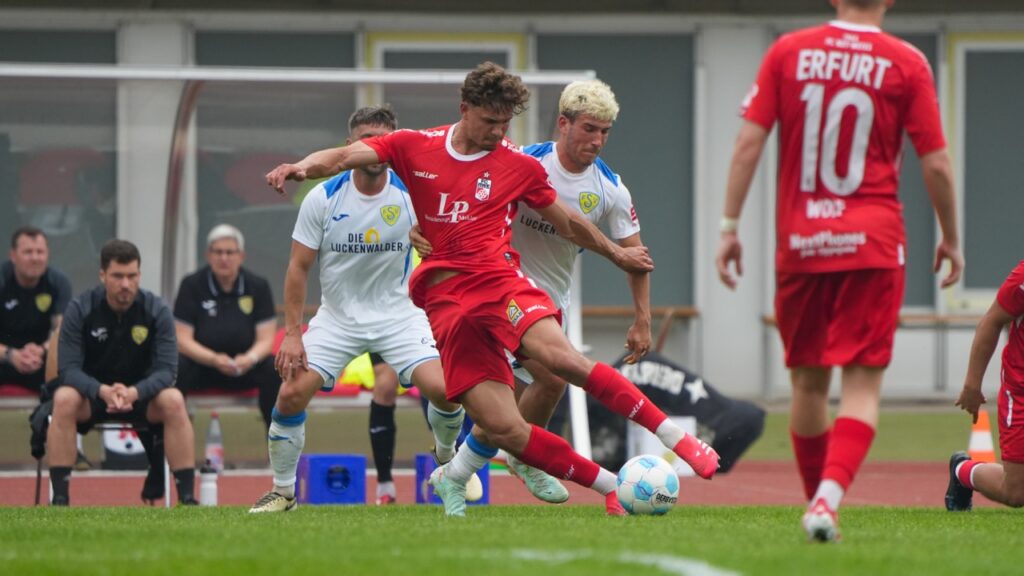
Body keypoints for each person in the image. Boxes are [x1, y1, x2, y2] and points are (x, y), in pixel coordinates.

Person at [266, 62, 719, 518]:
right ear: (465, 109)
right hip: (445, 304)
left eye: (506, 124)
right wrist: (301, 166)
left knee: (562, 364)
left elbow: (570, 223)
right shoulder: (414, 147)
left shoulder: (517, 164)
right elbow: (343, 158)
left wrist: (617, 255)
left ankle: (675, 438)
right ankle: (603, 485)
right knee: (503, 427)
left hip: (499, 285)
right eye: (490, 122)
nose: (498, 133)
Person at [714, 0, 963, 541]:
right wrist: (951, 236)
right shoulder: (907, 62)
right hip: (872, 242)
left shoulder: (788, 51)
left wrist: (729, 226)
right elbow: (936, 162)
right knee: (862, 385)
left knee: (806, 381)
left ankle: (818, 505)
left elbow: (748, 143)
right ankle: (826, 505)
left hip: (802, 242)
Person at [410, 79, 651, 504]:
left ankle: (500, 458)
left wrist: (642, 318)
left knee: (522, 404)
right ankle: (497, 453)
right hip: (494, 292)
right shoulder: (522, 162)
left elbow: (636, 256)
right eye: (589, 129)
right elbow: (458, 191)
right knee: (536, 384)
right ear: (563, 123)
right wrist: (423, 227)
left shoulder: (611, 189)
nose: (597, 141)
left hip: (549, 301)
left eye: (605, 132)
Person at [249, 105, 472, 513]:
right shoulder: (322, 198)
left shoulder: (414, 192)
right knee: (291, 394)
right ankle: (283, 492)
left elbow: (449, 246)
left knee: (447, 390)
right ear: (350, 147)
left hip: (400, 314)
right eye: (367, 140)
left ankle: (445, 459)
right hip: (338, 318)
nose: (375, 148)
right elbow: (298, 268)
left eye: (383, 140)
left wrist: (434, 246)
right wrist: (293, 334)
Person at [46, 239, 197, 506]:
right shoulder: (80, 309)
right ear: (102, 275)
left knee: (174, 400)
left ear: (139, 274)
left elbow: (167, 371)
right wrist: (101, 391)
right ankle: (59, 499)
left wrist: (135, 392)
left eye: (131, 276)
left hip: (141, 396)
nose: (125, 284)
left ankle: (187, 498)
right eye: (117, 276)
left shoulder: (157, 310)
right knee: (63, 398)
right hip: (92, 397)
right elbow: (67, 370)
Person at [174, 224, 279, 428]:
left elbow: (266, 340)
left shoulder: (258, 286)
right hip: (204, 367)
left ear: (241, 256)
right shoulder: (191, 285)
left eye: (230, 252)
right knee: (176, 366)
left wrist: (249, 359)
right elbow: (182, 339)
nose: (224, 258)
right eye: (218, 252)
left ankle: (276, 444)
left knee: (273, 368)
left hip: (245, 368)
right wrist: (213, 359)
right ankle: (170, 446)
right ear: (208, 255)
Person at [946, 260, 1024, 511]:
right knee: (1015, 492)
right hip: (1021, 390)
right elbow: (992, 321)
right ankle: (962, 471)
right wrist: (972, 384)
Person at [0, 227, 72, 395]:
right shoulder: (2, 280)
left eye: (40, 252)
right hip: (4, 357)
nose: (35, 258)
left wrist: (42, 350)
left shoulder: (58, 283)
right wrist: (12, 355)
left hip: (39, 359)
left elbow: (61, 331)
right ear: (13, 256)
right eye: (28, 252)